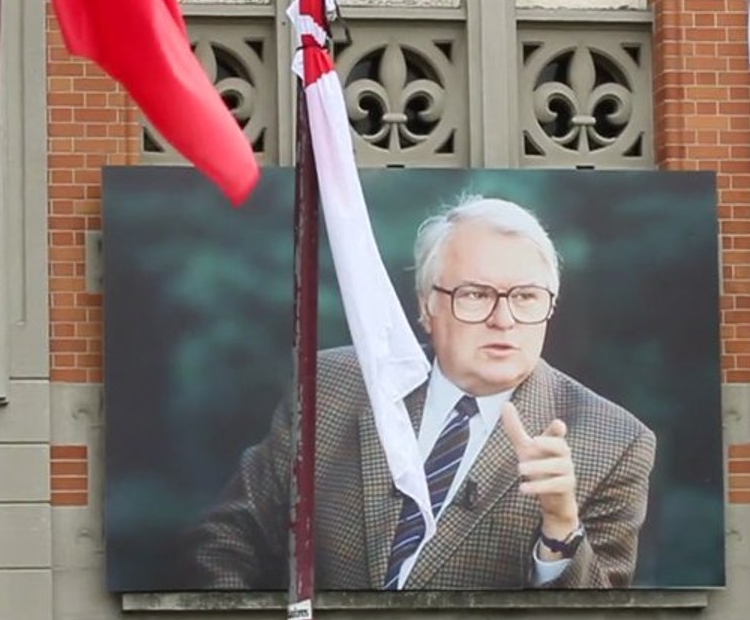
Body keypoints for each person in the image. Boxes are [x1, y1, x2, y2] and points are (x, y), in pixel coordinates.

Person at [189, 195, 656, 590]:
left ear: (550, 305)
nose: (504, 319)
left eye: (526, 297)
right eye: (475, 294)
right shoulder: (334, 383)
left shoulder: (615, 443)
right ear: (426, 306)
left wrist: (560, 531)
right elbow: (229, 540)